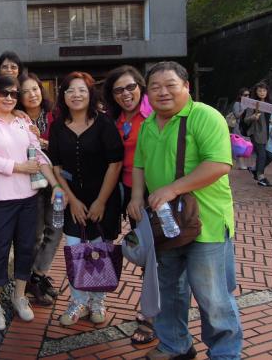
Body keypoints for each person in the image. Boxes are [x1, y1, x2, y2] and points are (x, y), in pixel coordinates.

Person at [127, 61, 242, 360]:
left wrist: (173, 188)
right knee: (168, 290)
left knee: (213, 296)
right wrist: (137, 196)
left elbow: (218, 164)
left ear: (186, 87)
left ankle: (225, 354)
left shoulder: (204, 116)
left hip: (206, 223)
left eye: (170, 85)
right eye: (155, 87)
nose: (162, 92)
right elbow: (139, 164)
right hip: (166, 223)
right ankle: (175, 345)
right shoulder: (149, 125)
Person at [0, 75, 63, 331]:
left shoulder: (23, 122)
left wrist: (56, 185)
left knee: (26, 248)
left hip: (28, 197)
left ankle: (19, 295)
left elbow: (39, 155)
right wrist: (20, 167)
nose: (9, 98)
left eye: (14, 94)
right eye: (3, 93)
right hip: (0, 198)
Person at [50, 72, 123, 326]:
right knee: (75, 250)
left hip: (103, 199)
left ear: (90, 94)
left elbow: (115, 163)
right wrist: (71, 199)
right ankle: (77, 302)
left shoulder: (104, 123)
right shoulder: (57, 127)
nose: (76, 95)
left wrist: (101, 201)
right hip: (74, 201)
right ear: (63, 96)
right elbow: (57, 167)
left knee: (99, 249)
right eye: (70, 90)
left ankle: (98, 301)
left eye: (82, 90)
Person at [102, 65, 155, 344]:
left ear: (140, 86)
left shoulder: (154, 113)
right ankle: (152, 307)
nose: (125, 94)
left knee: (157, 255)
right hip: (126, 191)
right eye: (118, 90)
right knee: (144, 252)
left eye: (131, 87)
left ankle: (152, 316)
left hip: (151, 192)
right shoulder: (115, 118)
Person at [16, 73, 60, 305]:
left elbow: (64, 145)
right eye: (25, 91)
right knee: (35, 234)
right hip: (30, 182)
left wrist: (42, 142)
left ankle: (38, 275)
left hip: (56, 180)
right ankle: (31, 278)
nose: (32, 94)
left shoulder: (55, 115)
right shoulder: (17, 118)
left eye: (35, 89)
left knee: (56, 229)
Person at [244, 82, 272, 187]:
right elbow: (246, 120)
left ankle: (255, 169)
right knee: (262, 155)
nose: (262, 93)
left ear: (267, 92)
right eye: (260, 90)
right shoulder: (253, 104)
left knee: (271, 155)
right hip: (256, 133)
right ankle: (261, 177)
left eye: (264, 90)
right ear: (256, 92)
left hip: (268, 134)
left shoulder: (269, 105)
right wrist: (253, 117)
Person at [231, 88, 250, 170]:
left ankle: (242, 164)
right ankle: (241, 164)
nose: (247, 97)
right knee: (240, 147)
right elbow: (237, 115)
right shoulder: (237, 104)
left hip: (247, 129)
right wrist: (244, 109)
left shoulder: (250, 104)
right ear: (240, 96)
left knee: (246, 147)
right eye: (245, 95)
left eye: (248, 95)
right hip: (239, 128)